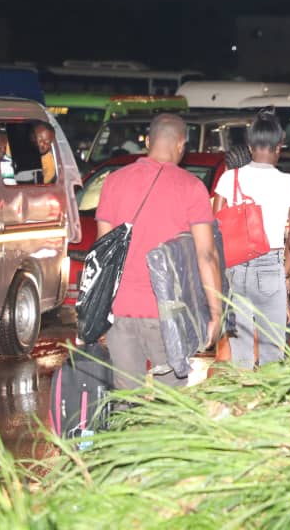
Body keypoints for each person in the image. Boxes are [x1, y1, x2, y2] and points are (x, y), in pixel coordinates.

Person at [95, 114, 223, 390]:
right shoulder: (191, 187)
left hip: (120, 312)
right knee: (170, 404)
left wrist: (97, 312)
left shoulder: (113, 182)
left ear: (149, 141)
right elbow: (206, 256)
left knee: (128, 401)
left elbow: (103, 253)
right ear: (181, 145)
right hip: (168, 314)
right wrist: (215, 312)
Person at [213, 112, 290, 368]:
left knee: (240, 347)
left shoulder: (230, 179)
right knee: (272, 347)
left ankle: (242, 402)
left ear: (250, 147)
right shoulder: (289, 183)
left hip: (234, 268)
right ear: (278, 147)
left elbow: (215, 230)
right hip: (269, 269)